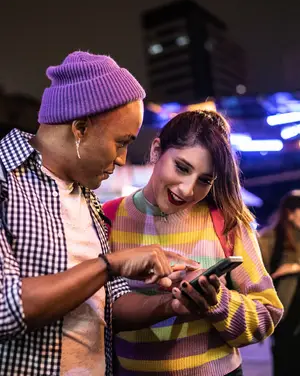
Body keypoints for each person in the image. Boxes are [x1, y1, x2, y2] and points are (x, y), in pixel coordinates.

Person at [0, 51, 197, 376]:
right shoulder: (5, 179)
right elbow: (5, 311)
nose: (122, 159)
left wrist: (174, 303)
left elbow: (105, 302)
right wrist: (109, 265)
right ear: (79, 128)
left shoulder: (85, 197)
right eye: (121, 143)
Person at [104, 109, 283, 376]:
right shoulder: (108, 217)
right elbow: (96, 314)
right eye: (182, 167)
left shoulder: (227, 221)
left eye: (204, 180)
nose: (188, 189)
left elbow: (266, 316)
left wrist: (217, 302)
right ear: (156, 151)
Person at [259, 190, 300, 375]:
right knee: (285, 361)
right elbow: (256, 274)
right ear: (290, 213)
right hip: (284, 313)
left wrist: (294, 267)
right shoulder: (270, 238)